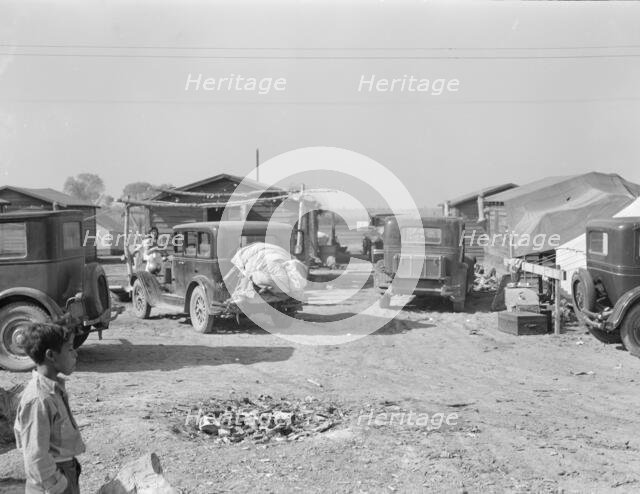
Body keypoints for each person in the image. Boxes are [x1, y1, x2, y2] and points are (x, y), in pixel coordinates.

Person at [14, 323, 85, 494]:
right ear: (51, 355)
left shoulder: (52, 390)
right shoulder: (38, 399)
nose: (75, 354)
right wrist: (58, 484)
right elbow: (35, 455)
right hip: (51, 482)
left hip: (62, 471)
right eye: (69, 349)